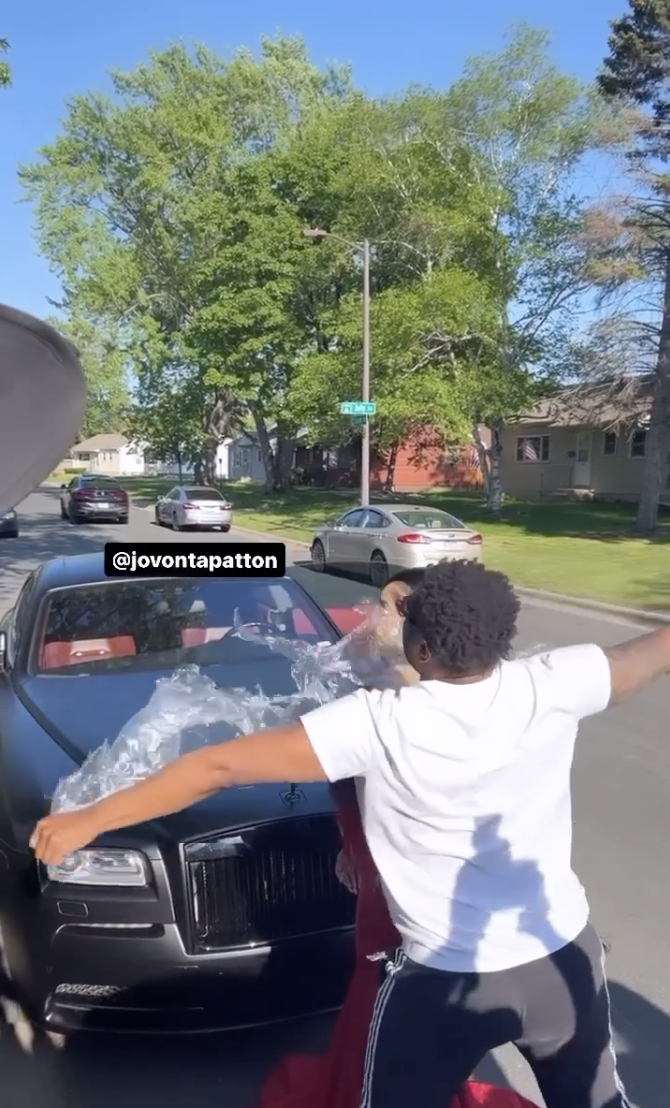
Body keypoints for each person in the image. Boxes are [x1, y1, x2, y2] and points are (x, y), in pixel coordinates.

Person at [33, 558, 659, 1108]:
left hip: (444, 980)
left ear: (420, 650)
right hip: (563, 953)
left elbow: (214, 766)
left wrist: (89, 818)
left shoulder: (377, 724)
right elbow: (646, 656)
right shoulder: (556, 680)